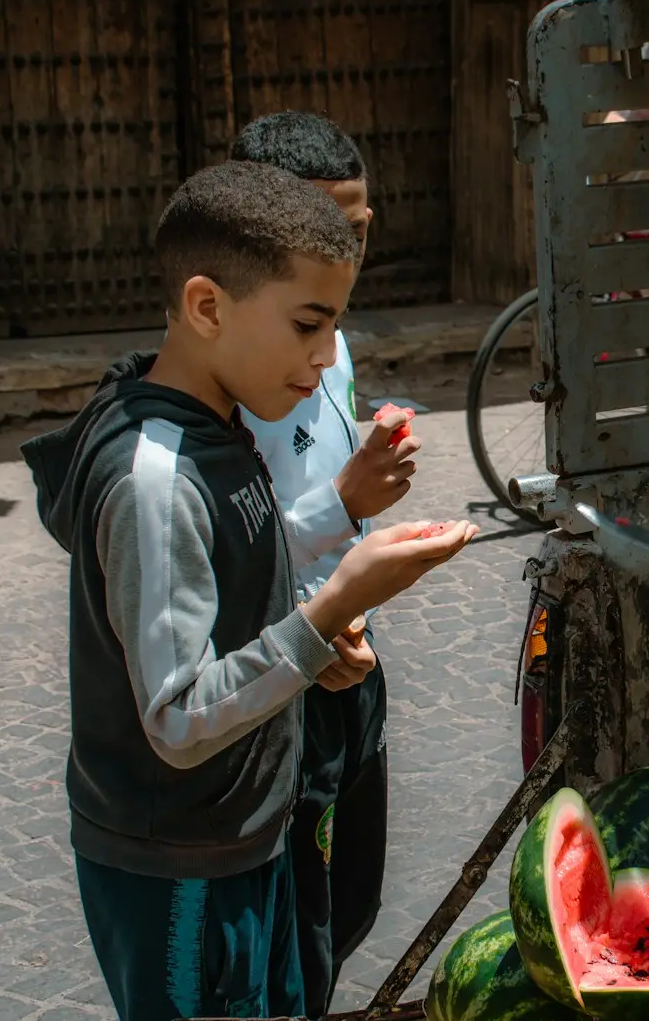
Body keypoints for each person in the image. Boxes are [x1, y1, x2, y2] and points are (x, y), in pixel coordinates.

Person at [20, 160, 477, 1021]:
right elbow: (181, 716)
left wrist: (339, 517)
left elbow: (240, 558)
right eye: (309, 324)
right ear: (207, 306)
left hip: (250, 833)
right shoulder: (153, 477)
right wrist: (329, 610)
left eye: (335, 326)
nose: (324, 356)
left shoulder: (221, 419)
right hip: (184, 864)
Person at [230, 111, 410, 1017]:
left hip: (348, 656)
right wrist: (342, 502)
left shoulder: (330, 336)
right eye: (322, 230)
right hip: (278, 681)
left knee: (345, 907)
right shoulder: (222, 372)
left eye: (359, 229)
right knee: (292, 924)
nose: (347, 250)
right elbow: (224, 541)